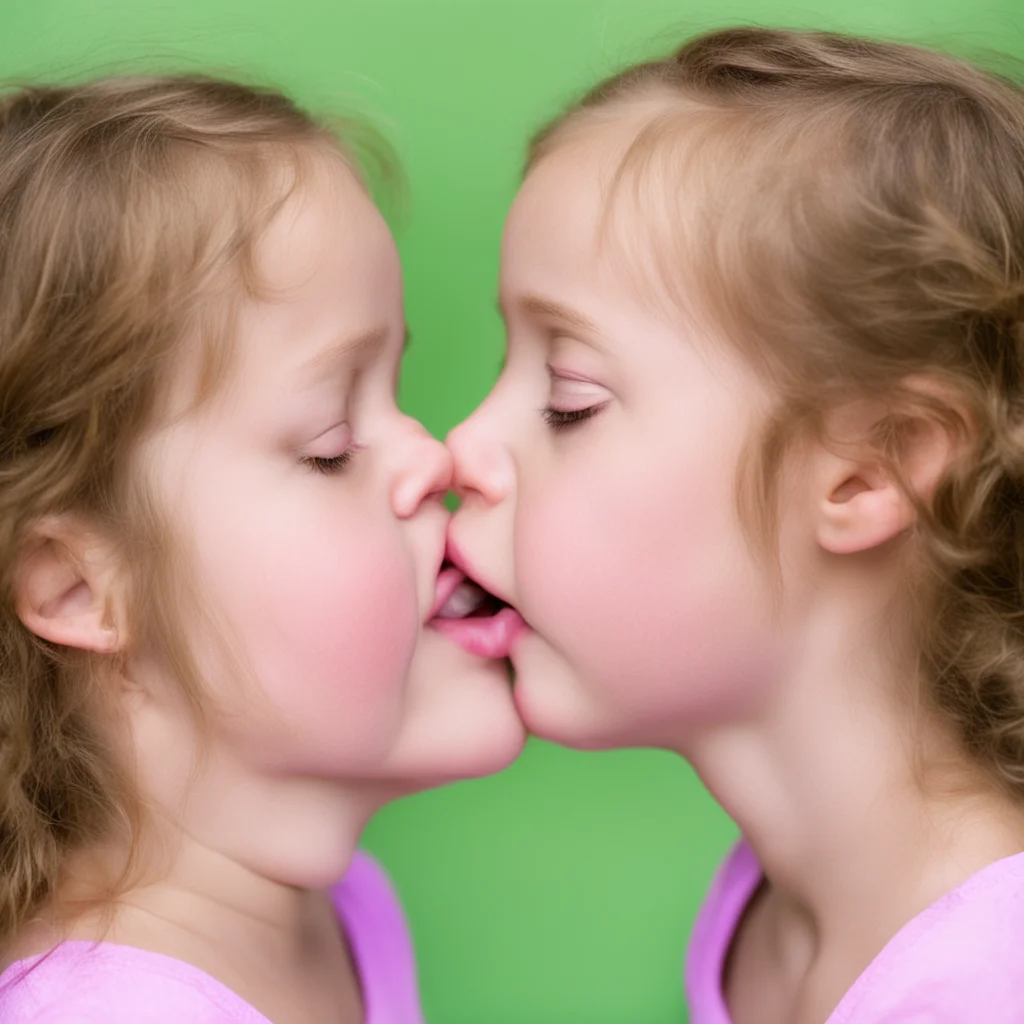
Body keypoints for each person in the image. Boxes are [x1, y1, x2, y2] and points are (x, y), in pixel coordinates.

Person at [444, 27, 1024, 1023]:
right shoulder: (768, 907)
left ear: (867, 469)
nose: (461, 447)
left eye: (568, 400)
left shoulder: (985, 983)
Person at [0, 74, 525, 1023]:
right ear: (81, 589)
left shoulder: (341, 911)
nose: (433, 454)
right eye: (330, 448)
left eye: (395, 395)